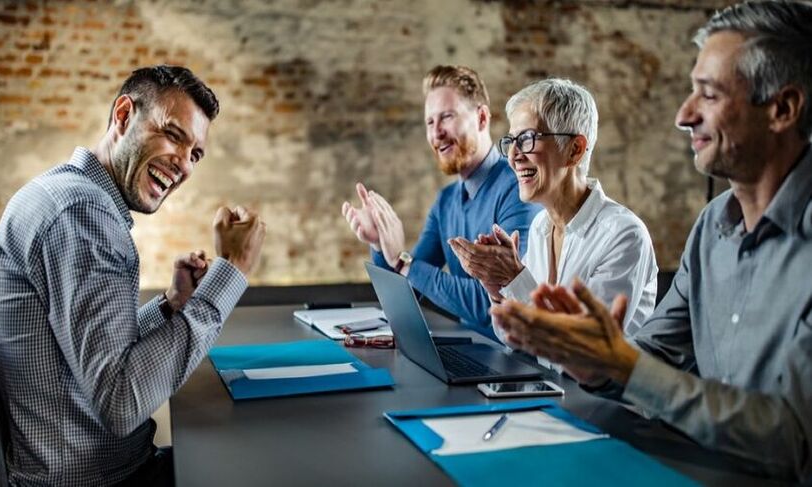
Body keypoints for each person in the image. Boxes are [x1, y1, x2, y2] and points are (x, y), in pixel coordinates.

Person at [491, 0, 812, 481]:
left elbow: (795, 441)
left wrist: (618, 364)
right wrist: (591, 358)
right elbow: (652, 354)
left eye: (708, 94)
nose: (684, 115)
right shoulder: (710, 229)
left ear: (782, 109)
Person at [0, 65, 266, 486]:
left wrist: (172, 305)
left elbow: (96, 356)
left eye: (195, 153)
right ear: (122, 116)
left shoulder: (66, 195)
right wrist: (231, 272)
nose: (185, 166)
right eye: (174, 134)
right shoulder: (82, 214)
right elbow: (121, 402)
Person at [448, 79, 658, 348]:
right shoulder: (540, 226)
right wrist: (498, 289)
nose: (513, 156)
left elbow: (583, 350)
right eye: (511, 141)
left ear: (574, 150)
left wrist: (514, 278)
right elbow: (516, 340)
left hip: (595, 391)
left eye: (526, 139)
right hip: (552, 386)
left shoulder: (624, 235)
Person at [341, 65, 541, 339]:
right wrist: (379, 243)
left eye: (447, 117)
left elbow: (492, 304)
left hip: (517, 361)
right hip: (473, 348)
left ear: (482, 118)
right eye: (430, 122)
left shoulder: (519, 189)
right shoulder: (446, 201)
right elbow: (407, 290)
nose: (436, 134)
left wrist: (404, 263)